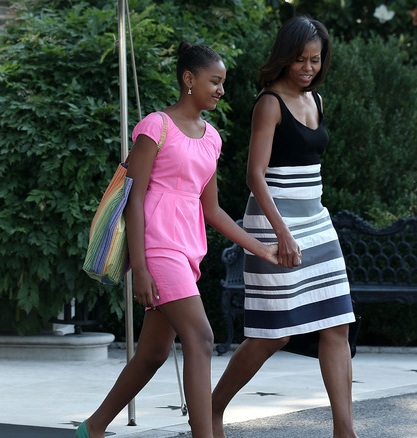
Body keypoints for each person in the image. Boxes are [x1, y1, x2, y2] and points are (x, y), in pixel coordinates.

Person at [76, 42, 279, 438]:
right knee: (201, 337)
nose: (221, 90)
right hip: (158, 247)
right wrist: (143, 268)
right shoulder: (156, 126)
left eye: (223, 83)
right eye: (214, 81)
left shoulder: (212, 139)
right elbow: (134, 200)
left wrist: (261, 247)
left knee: (152, 354)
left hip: (188, 251)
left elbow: (213, 210)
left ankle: (93, 428)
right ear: (189, 80)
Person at [210, 16, 358, 438]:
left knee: (337, 325)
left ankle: (343, 431)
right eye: (300, 60)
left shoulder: (317, 100)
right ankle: (212, 408)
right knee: (272, 335)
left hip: (317, 220)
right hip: (275, 223)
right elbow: (255, 175)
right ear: (284, 58)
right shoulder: (269, 103)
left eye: (315, 60)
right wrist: (282, 233)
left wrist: (302, 228)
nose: (308, 68)